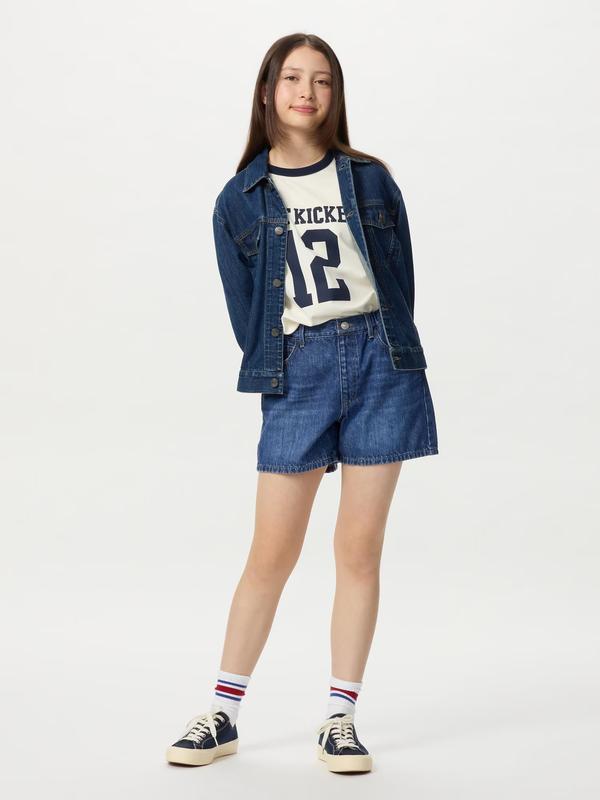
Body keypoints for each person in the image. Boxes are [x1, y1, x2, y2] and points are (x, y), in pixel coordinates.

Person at [166, 32, 439, 774]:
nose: (306, 93)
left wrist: (385, 350)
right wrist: (286, 366)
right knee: (272, 552)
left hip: (381, 365)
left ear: (335, 95)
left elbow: (401, 283)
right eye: (292, 78)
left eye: (321, 80)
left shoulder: (370, 180)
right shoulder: (240, 199)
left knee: (358, 549)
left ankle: (340, 718)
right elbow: (245, 312)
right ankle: (222, 713)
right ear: (267, 91)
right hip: (298, 371)